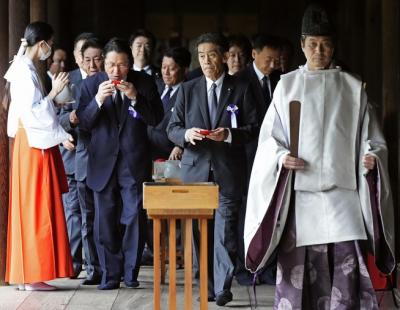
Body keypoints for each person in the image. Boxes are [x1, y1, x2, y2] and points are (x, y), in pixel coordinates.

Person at [244, 4, 395, 309]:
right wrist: (281, 156)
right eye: (312, 44)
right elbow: (269, 139)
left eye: (325, 43)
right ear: (301, 45)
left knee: (346, 270)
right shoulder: (287, 86)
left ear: (333, 45)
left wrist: (372, 158)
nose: (319, 50)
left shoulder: (354, 88)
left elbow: (373, 139)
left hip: (344, 196)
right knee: (299, 276)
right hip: (302, 197)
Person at [167, 33, 257, 306]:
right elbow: (172, 129)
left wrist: (228, 134)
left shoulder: (241, 88)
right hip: (196, 172)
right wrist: (187, 134)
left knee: (225, 231)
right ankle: (206, 287)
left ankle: (222, 287)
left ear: (225, 56)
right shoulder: (187, 89)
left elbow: (254, 128)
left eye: (212, 55)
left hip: (228, 171)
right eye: (202, 56)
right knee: (198, 233)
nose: (206, 61)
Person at [77, 37, 163, 290]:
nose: (116, 71)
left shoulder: (144, 83)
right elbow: (82, 123)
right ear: (104, 63)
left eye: (122, 65)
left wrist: (135, 97)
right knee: (104, 220)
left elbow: (156, 118)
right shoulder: (91, 84)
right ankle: (110, 275)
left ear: (130, 64)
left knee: (133, 216)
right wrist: (98, 101)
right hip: (102, 162)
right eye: (112, 65)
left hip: (133, 161)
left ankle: (130, 273)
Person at [5, 21, 74, 291]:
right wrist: (55, 93)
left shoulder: (24, 67)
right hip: (33, 143)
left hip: (29, 140)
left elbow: (33, 108)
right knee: (37, 205)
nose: (51, 48)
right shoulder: (24, 71)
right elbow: (33, 112)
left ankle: (27, 274)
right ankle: (33, 274)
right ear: (42, 43)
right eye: (51, 43)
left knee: (30, 205)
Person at [235, 33, 282, 285]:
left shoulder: (281, 80)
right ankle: (245, 268)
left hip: (275, 156)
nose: (273, 65)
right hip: (247, 157)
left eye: (276, 60)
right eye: (268, 60)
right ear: (254, 54)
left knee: (272, 212)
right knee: (247, 213)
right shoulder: (240, 80)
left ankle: (269, 266)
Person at [58, 35, 103, 285]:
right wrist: (66, 127)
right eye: (87, 59)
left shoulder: (107, 81)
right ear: (80, 58)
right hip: (72, 154)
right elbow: (56, 117)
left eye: (97, 59)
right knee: (74, 213)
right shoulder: (70, 81)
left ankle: (96, 264)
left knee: (96, 214)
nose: (92, 64)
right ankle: (75, 263)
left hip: (101, 156)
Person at [148, 46, 191, 160]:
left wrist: (180, 145)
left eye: (171, 69)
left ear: (185, 70)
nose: (166, 73)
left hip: (170, 156)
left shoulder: (190, 92)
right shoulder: (155, 86)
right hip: (145, 150)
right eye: (163, 67)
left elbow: (194, 123)